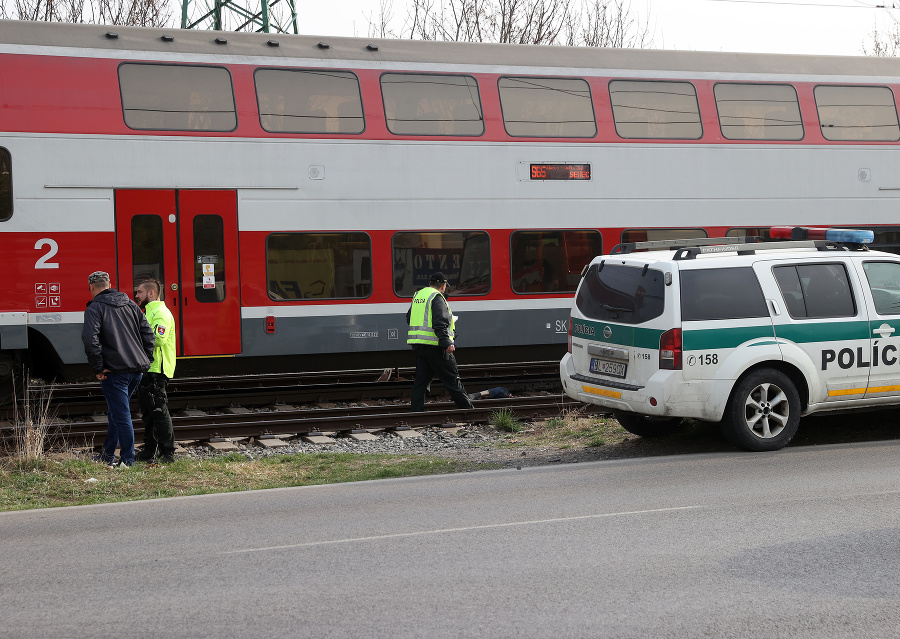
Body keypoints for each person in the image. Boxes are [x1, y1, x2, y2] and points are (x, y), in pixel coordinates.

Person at [81, 271, 154, 468]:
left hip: (114, 371)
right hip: (135, 371)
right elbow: (148, 333)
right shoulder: (130, 304)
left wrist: (98, 367)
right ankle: (107, 454)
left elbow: (90, 340)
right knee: (116, 413)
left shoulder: (95, 308)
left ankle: (128, 460)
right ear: (110, 284)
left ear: (91, 287)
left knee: (121, 416)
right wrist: (146, 359)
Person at [406, 272, 474, 412]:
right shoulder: (436, 297)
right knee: (453, 380)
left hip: (419, 345)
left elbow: (409, 318)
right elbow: (439, 323)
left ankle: (415, 413)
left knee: (421, 382)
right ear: (443, 285)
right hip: (435, 347)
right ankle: (469, 411)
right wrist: (447, 342)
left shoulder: (419, 295)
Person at [134, 279, 177, 464]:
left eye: (140, 292)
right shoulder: (149, 313)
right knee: (149, 413)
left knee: (159, 410)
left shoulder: (160, 313)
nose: (136, 296)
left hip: (157, 369)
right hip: (148, 368)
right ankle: (150, 450)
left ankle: (168, 453)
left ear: (151, 293)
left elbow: (158, 339)